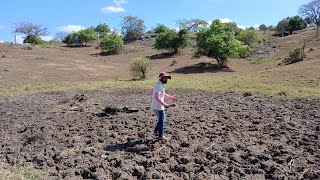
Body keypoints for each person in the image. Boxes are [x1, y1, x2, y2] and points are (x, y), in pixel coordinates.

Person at [151, 72, 177, 140]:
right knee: (162, 120)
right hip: (158, 106)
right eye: (165, 78)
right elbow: (157, 97)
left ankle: (156, 131)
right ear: (161, 78)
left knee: (161, 119)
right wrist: (164, 104)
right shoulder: (158, 86)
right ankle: (160, 136)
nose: (166, 79)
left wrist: (171, 97)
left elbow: (163, 94)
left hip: (158, 106)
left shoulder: (161, 85)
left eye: (167, 78)